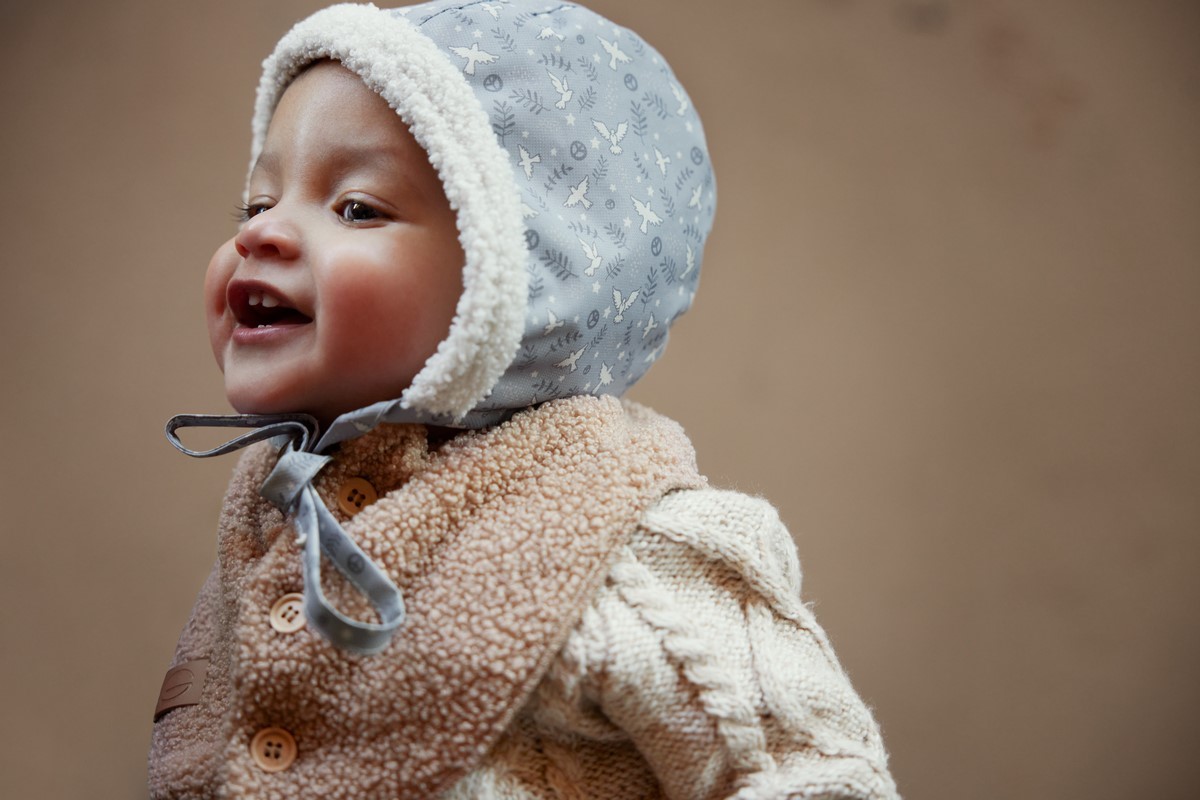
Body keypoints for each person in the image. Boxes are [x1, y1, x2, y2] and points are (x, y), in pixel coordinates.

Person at [148, 2, 899, 798]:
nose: (260, 234)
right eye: (258, 203)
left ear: (521, 276)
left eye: (357, 208)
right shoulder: (281, 509)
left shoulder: (629, 543)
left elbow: (823, 778)